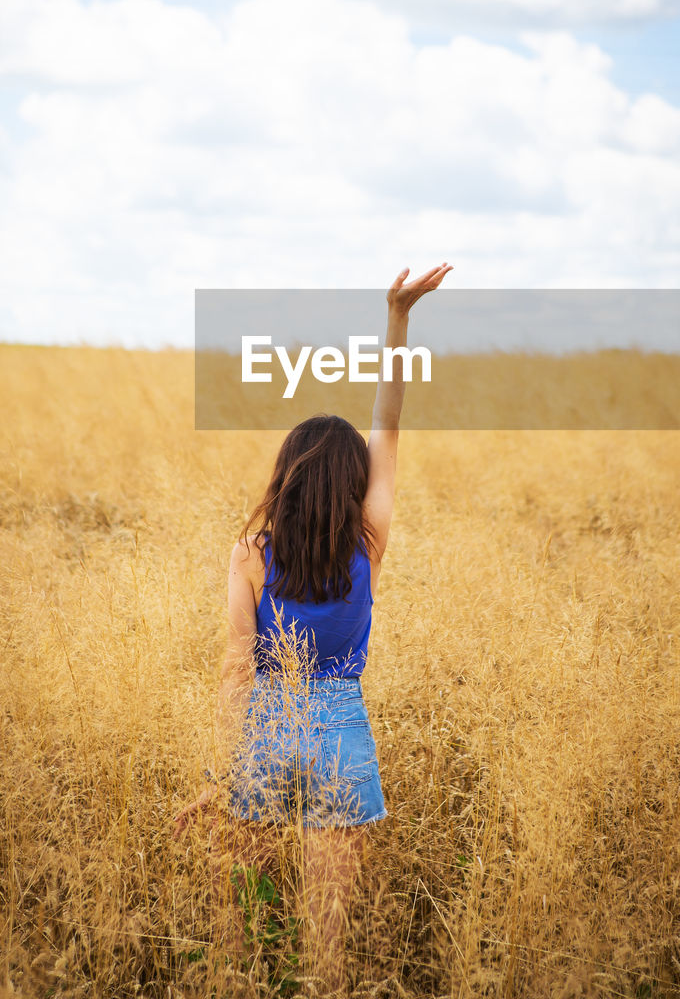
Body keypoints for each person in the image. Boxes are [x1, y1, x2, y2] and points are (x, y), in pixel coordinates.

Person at [173, 263, 452, 993]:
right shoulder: (368, 539)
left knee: (234, 924)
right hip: (340, 732)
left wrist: (220, 778)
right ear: (352, 481)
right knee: (328, 937)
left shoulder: (251, 556)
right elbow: (387, 423)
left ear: (287, 476)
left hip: (265, 731)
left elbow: (238, 672)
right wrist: (398, 319)